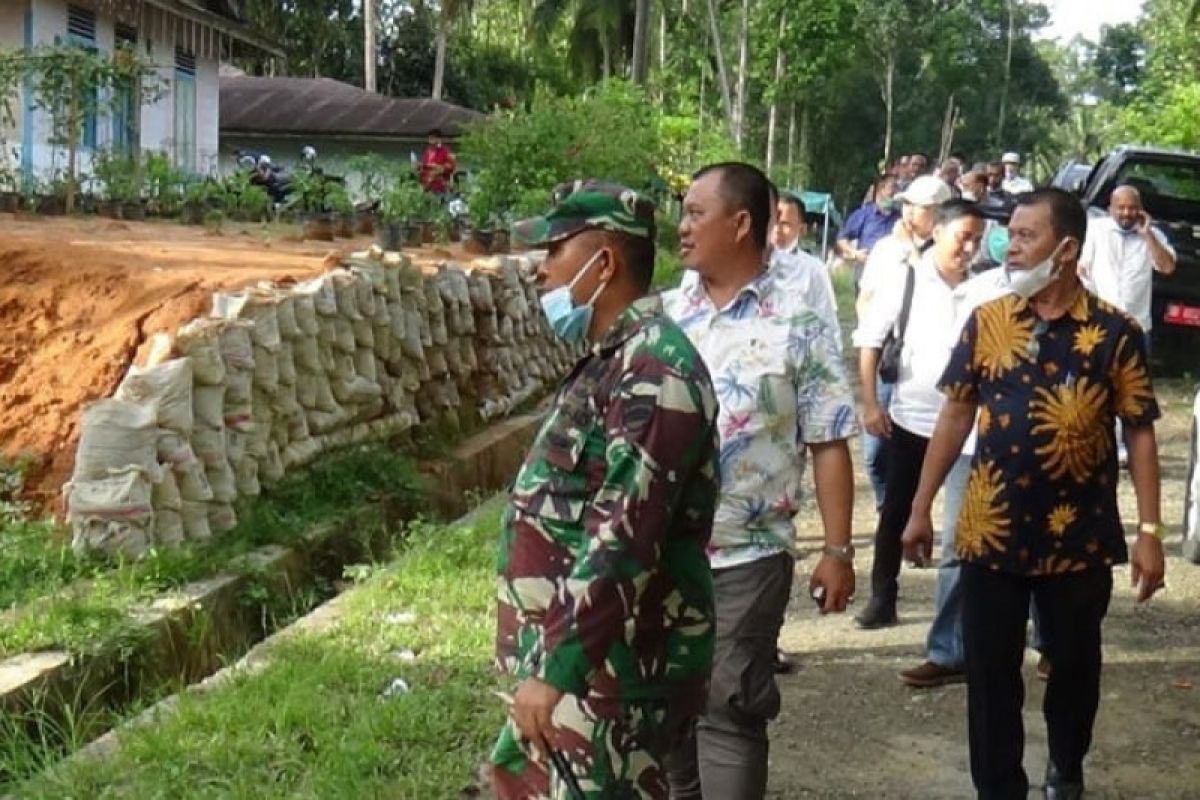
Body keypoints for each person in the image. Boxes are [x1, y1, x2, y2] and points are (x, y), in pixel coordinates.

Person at [901, 188, 1167, 799]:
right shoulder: (989, 321)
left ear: (1067, 249)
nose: (1009, 248)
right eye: (1010, 236)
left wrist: (1151, 534)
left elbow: (1141, 432)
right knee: (991, 678)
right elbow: (953, 416)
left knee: (1074, 669)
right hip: (991, 530)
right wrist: (919, 507)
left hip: (1078, 539)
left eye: (1025, 237)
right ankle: (999, 788)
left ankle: (1065, 767)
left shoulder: (1114, 333)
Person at [492, 180, 721, 799]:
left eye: (556, 250)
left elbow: (623, 534)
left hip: (613, 674)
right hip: (578, 667)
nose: (540, 271)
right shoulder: (612, 360)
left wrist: (558, 670)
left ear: (604, 262)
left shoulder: (655, 370)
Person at [663, 162, 858, 800]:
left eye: (696, 213)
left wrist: (836, 550)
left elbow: (828, 440)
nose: (682, 226)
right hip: (660, 555)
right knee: (664, 710)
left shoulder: (798, 324)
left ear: (741, 223)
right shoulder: (663, 320)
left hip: (748, 554)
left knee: (729, 704)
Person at [851, 199, 987, 629]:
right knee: (897, 510)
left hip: (968, 428)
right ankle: (882, 596)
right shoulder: (905, 279)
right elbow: (870, 342)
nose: (970, 248)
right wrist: (872, 403)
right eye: (964, 237)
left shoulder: (985, 288)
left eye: (978, 241)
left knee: (963, 523)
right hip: (912, 417)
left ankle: (960, 619)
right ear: (939, 232)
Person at [856, 175, 952, 511]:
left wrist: (913, 250)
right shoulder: (886, 249)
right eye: (907, 204)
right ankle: (891, 509)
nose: (909, 212)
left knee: (916, 452)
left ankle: (908, 512)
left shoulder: (954, 252)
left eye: (919, 207)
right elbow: (864, 299)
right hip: (888, 355)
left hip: (926, 367)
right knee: (874, 452)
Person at [1079, 184, 1177, 343]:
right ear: (1111, 209)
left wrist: (1147, 235)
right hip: (1099, 323)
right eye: (1121, 207)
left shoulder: (1154, 235)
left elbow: (1167, 267)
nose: (1126, 213)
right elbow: (1081, 270)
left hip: (1136, 325)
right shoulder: (1095, 230)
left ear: (1140, 209)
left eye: (1132, 208)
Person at [772, 191, 840, 334]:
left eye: (785, 225)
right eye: (772, 223)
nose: (777, 231)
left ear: (801, 229)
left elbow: (828, 323)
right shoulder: (746, 265)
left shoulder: (814, 270)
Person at [838, 174, 902, 292]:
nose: (896, 191)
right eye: (893, 187)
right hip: (865, 273)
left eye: (897, 187)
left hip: (891, 277)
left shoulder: (900, 218)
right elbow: (842, 239)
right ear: (881, 190)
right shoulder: (863, 214)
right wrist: (855, 253)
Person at [419, 128, 457, 195]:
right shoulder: (427, 151)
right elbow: (424, 166)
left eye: (433, 137)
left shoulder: (445, 151)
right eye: (430, 137)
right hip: (427, 186)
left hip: (440, 186)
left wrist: (438, 168)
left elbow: (452, 166)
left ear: (439, 139)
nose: (431, 139)